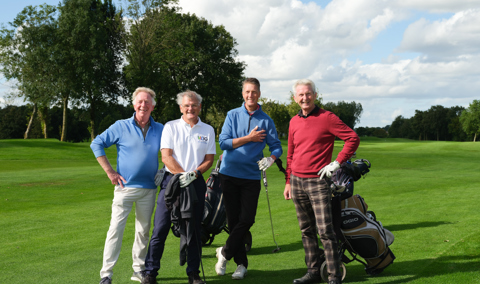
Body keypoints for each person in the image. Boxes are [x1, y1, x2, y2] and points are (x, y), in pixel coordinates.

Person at [283, 79, 360, 284]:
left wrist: (337, 163)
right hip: (297, 181)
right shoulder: (293, 121)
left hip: (318, 181)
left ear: (315, 95)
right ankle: (313, 272)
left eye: (308, 94)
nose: (305, 98)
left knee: (326, 231)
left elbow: (352, 138)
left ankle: (334, 276)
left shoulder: (327, 118)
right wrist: (288, 181)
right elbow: (290, 154)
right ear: (295, 98)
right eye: (301, 95)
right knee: (306, 230)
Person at [91, 87, 164, 284]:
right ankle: (106, 274)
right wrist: (110, 172)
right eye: (140, 102)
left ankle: (139, 270)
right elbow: (96, 144)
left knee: (143, 231)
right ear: (134, 105)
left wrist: (164, 169)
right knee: (115, 229)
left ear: (153, 106)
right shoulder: (121, 126)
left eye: (147, 102)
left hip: (149, 189)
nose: (143, 105)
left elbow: (173, 151)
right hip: (124, 188)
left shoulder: (161, 129)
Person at [142, 90, 216, 284]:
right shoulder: (171, 126)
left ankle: (193, 273)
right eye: (186, 105)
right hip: (171, 183)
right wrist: (182, 175)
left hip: (196, 182)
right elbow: (166, 156)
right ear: (181, 107)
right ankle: (150, 273)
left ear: (199, 107)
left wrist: (195, 173)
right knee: (160, 228)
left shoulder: (207, 129)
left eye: (194, 105)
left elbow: (209, 159)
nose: (190, 108)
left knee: (193, 231)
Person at [215, 77, 283, 280]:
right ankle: (241, 264)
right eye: (247, 91)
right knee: (234, 221)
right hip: (229, 174)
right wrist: (249, 138)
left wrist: (271, 159)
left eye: (254, 91)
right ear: (243, 93)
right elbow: (224, 143)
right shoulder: (232, 115)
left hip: (251, 177)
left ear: (259, 94)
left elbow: (276, 146)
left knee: (247, 219)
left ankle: (224, 252)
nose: (250, 95)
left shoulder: (266, 119)